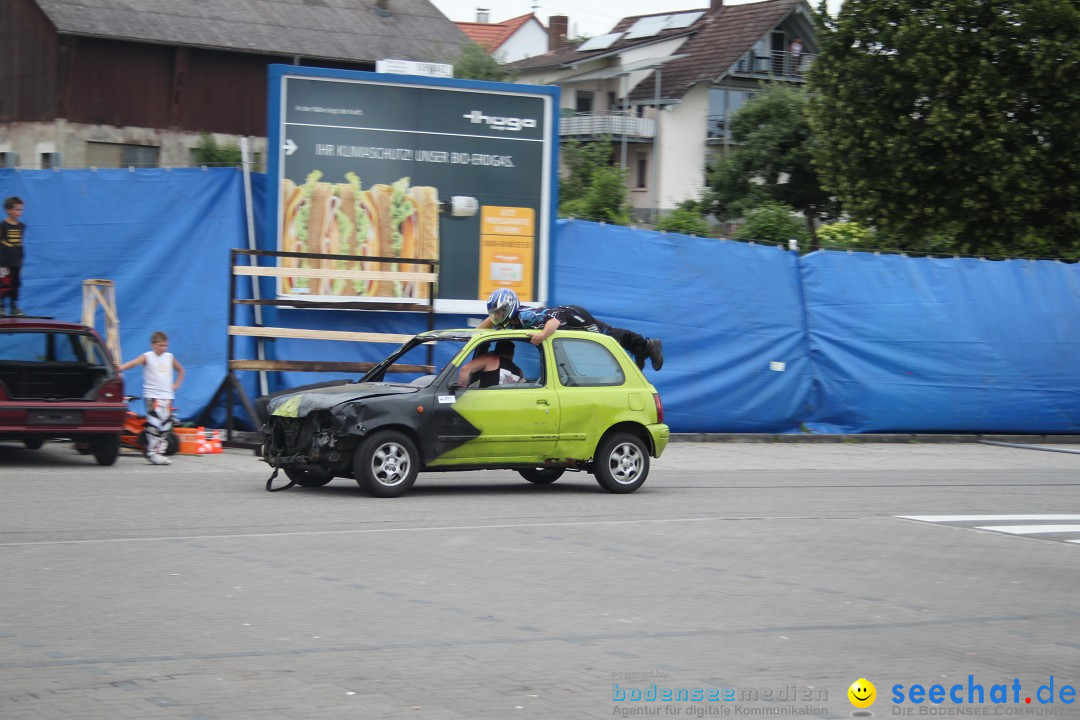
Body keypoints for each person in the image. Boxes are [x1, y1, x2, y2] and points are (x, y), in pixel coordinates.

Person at [479, 288, 663, 371]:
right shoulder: (508, 318)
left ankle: (648, 345)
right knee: (609, 335)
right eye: (495, 314)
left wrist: (543, 335)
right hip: (566, 316)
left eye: (499, 313)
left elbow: (557, 319)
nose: (496, 318)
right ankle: (643, 348)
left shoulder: (525, 317)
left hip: (572, 316)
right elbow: (489, 320)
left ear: (509, 307)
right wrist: (475, 334)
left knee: (606, 338)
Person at [120, 331, 185, 466]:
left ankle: (159, 453)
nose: (164, 348)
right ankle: (151, 452)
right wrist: (120, 368)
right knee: (154, 425)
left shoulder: (169, 357)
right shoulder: (147, 357)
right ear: (153, 345)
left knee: (166, 426)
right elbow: (133, 363)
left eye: (166, 345)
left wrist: (176, 384)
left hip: (167, 397)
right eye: (161, 345)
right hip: (152, 397)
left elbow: (181, 370)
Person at [0, 196, 27, 316]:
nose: (19, 212)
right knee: (3, 283)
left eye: (21, 210)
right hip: (4, 261)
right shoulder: (2, 226)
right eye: (17, 210)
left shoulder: (22, 226)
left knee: (16, 283)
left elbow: (20, 244)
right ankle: (1, 307)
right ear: (8, 210)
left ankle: (14, 307)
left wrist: (21, 261)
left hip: (17, 261)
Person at [458, 339, 523, 388]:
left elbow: (465, 370)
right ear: (512, 354)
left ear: (496, 350)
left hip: (484, 401)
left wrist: (461, 391)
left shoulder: (489, 359)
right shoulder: (519, 371)